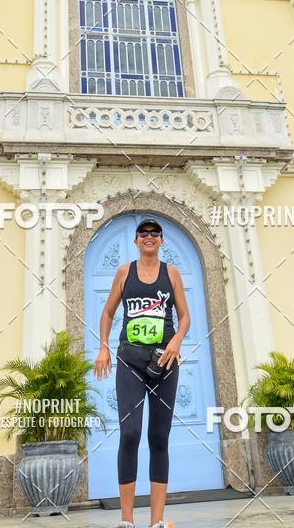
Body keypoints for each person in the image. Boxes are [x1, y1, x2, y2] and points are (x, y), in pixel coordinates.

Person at [94, 217, 191, 528]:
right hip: (130, 361)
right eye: (143, 233)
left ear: (162, 241)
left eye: (155, 233)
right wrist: (103, 348)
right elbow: (108, 312)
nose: (149, 237)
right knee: (131, 434)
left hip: (165, 362)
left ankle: (157, 521)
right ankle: (126, 521)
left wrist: (176, 340)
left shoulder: (171, 273)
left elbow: (185, 316)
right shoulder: (124, 272)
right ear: (136, 240)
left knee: (159, 437)